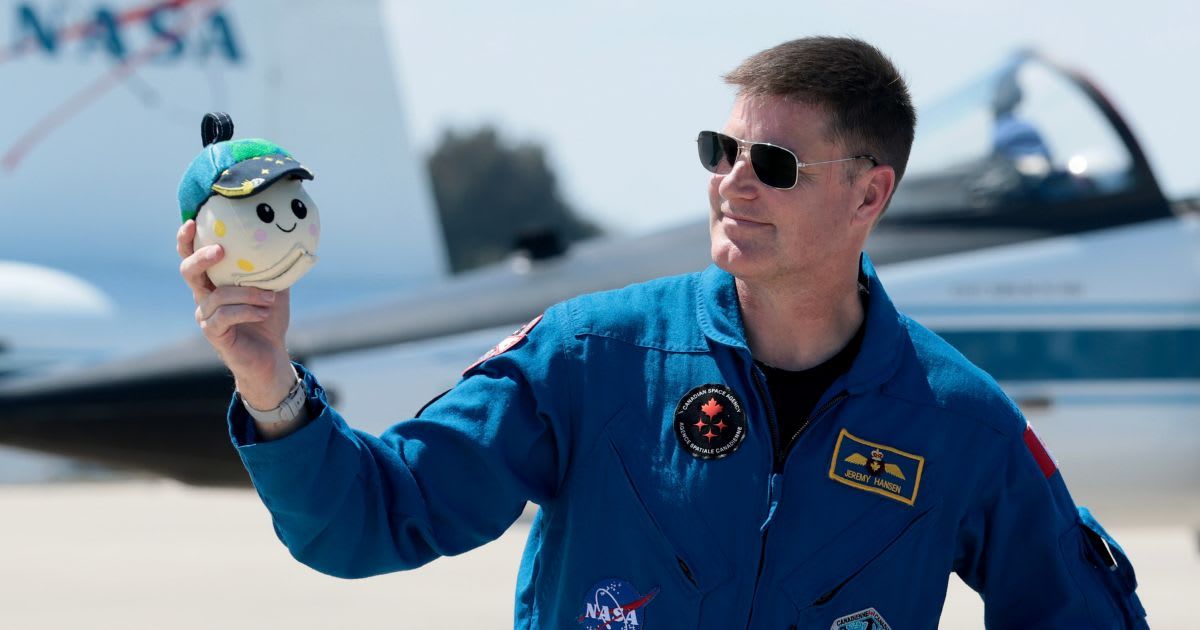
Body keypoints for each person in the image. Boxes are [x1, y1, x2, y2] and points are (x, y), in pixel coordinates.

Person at [176, 36, 1147, 629]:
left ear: (869, 194)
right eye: (721, 151)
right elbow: (370, 521)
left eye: (773, 163)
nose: (732, 184)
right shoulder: (588, 360)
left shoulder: (960, 424)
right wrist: (270, 385)